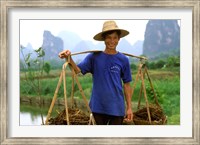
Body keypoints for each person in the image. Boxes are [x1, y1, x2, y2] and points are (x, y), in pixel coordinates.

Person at [59, 20, 133, 125]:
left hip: (117, 108)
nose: (112, 41)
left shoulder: (123, 60)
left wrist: (129, 108)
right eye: (108, 37)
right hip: (98, 108)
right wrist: (68, 58)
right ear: (103, 38)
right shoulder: (94, 57)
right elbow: (77, 71)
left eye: (115, 38)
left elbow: (127, 84)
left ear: (119, 39)